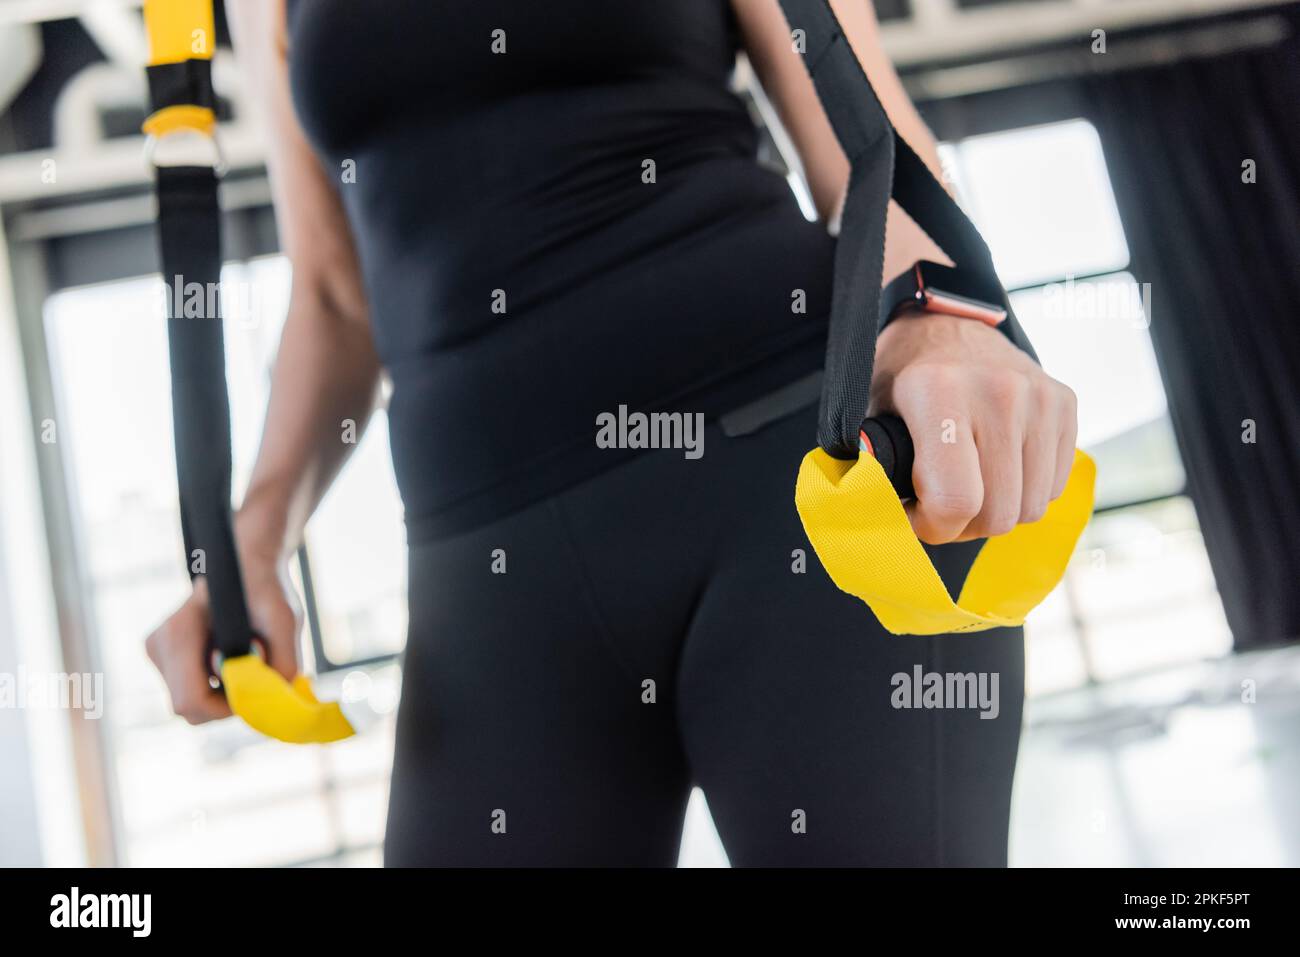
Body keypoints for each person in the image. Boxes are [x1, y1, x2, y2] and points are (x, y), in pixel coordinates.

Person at [146, 0, 1077, 866]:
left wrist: (941, 318)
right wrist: (254, 535)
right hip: (488, 551)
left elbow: (865, 147)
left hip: (794, 472)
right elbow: (334, 296)